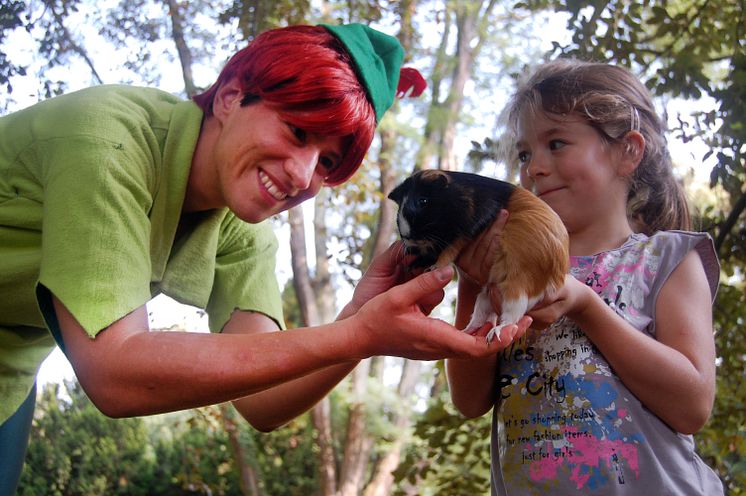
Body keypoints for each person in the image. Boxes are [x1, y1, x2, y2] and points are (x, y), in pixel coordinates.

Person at [0, 23, 529, 493]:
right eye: (297, 131)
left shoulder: (243, 226)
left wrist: (360, 324)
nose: (302, 176)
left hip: (10, 379)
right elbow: (114, 373)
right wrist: (358, 335)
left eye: (326, 162)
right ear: (231, 96)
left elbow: (264, 402)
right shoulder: (108, 139)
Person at [446, 59, 724, 495]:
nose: (534, 167)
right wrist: (473, 284)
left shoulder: (667, 259)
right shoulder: (510, 270)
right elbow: (469, 401)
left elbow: (692, 405)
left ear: (628, 151)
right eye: (524, 154)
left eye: (556, 143)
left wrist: (587, 307)